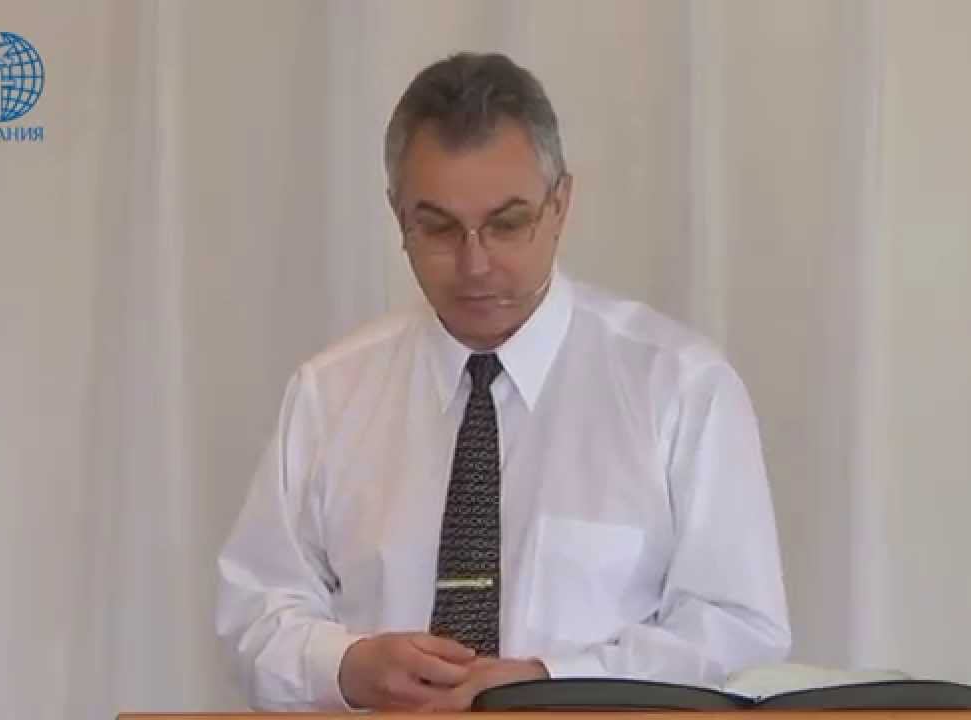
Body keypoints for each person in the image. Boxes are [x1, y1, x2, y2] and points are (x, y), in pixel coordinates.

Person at [215, 52, 790, 712]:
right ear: (398, 217)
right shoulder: (330, 394)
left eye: (508, 224)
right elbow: (254, 618)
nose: (476, 264)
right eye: (438, 228)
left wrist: (555, 683)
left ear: (560, 205)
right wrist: (346, 667)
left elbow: (739, 630)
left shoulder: (680, 387)